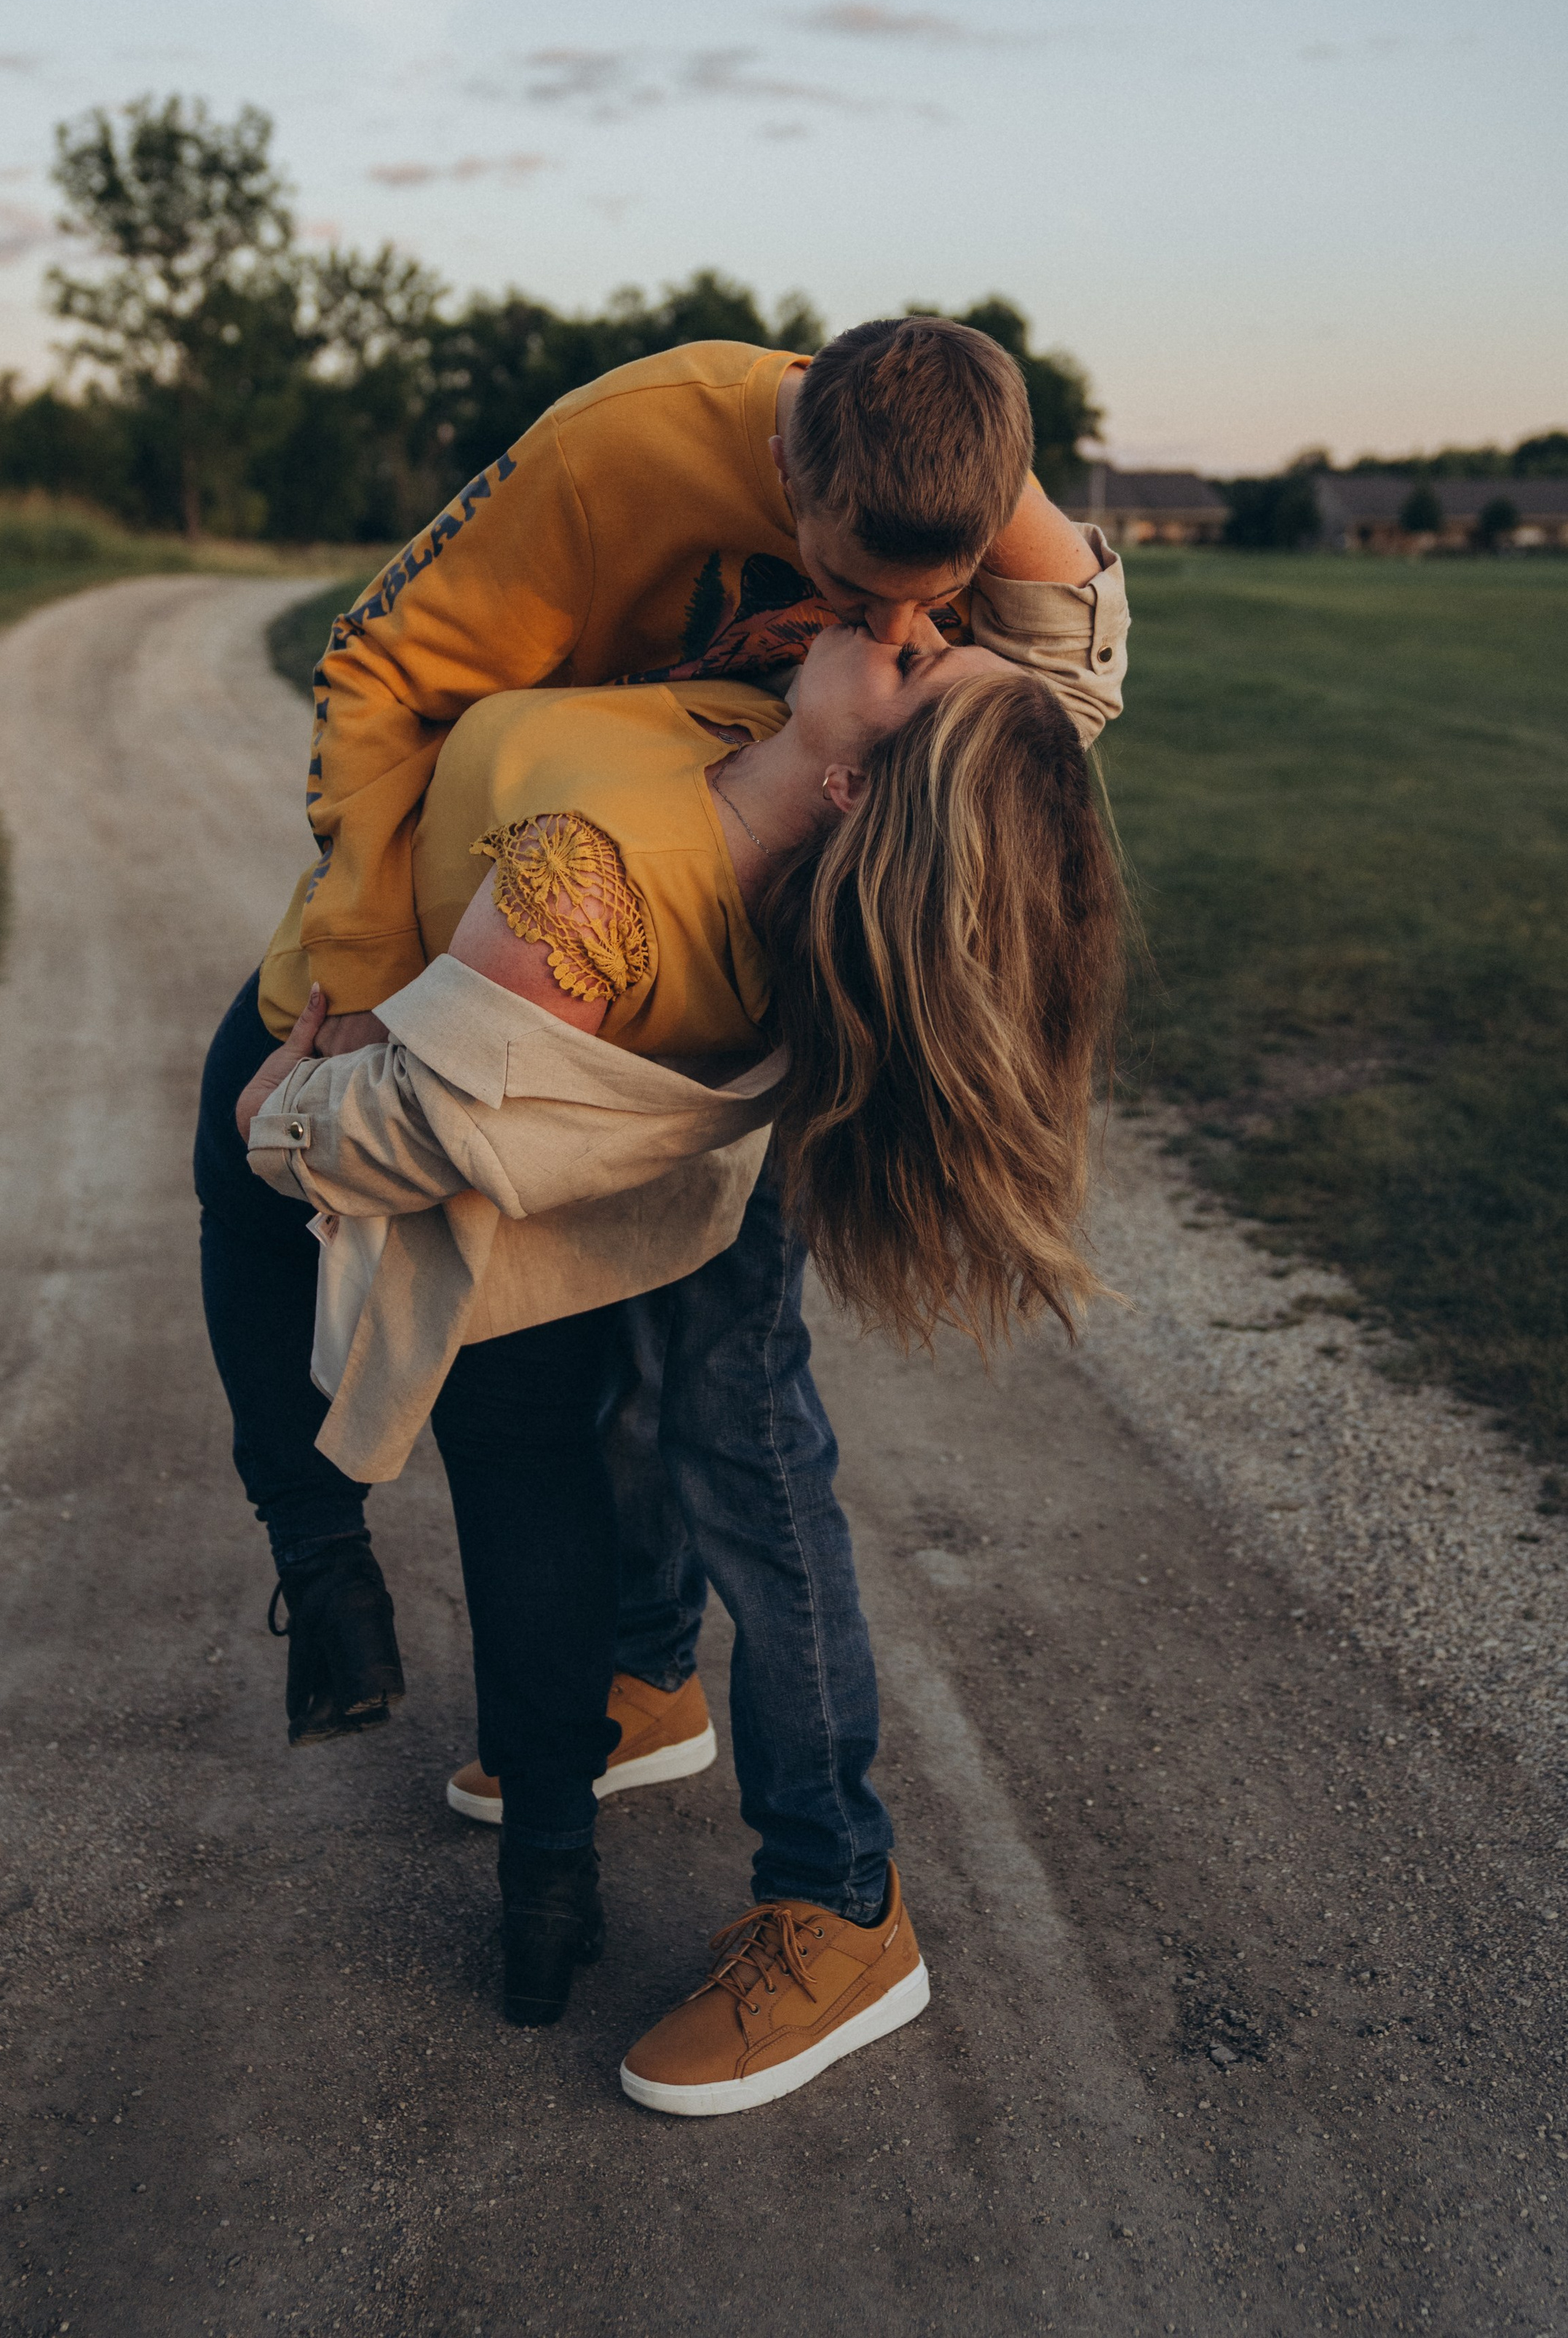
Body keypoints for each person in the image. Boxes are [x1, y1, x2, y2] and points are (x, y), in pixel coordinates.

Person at [193, 315, 1128, 1770]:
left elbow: (1064, 688)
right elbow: (378, 670)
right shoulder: (619, 451)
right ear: (787, 474)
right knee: (626, 1377)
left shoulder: (957, 493)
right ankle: (540, 1653)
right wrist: (369, 978)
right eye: (850, 592)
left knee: (691, 1391)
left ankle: (771, 1822)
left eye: (932, 608)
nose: (891, 631)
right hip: (579, 899)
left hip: (701, 941)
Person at [238, 621, 1124, 2108]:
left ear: (854, 793)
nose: (919, 624)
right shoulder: (861, 745)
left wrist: (275, 1122)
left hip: (713, 1082)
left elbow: (431, 1119)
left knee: (742, 1436)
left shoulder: (686, 863)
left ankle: (840, 1902)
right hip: (727, 1069)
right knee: (650, 1366)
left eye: (926, 663)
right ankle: (649, 1673)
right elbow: (1070, 634)